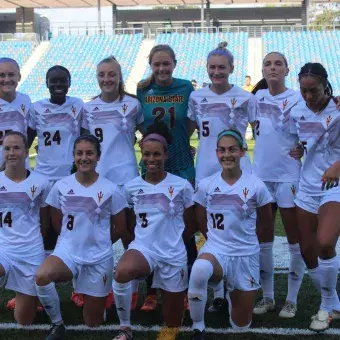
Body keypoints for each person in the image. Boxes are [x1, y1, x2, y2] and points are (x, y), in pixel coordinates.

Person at [35, 135, 128, 339]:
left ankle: (103, 301)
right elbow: (56, 222)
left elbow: (120, 227)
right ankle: (57, 324)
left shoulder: (110, 188)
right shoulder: (61, 186)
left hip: (99, 258)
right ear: (74, 156)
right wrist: (72, 240)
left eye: (89, 153)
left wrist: (99, 242)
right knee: (42, 276)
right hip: (68, 252)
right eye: (79, 153)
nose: (84, 157)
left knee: (92, 322)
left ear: (98, 156)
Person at [187, 42, 257, 310]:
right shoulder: (196, 97)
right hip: (206, 168)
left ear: (232, 69)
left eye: (222, 67)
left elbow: (262, 130)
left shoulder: (245, 98)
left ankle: (243, 282)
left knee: (239, 226)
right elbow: (189, 127)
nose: (217, 72)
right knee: (209, 229)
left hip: (239, 170)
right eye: (212, 67)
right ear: (207, 69)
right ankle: (218, 292)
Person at [112, 122, 196, 340]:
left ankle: (168, 300)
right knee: (121, 272)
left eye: (157, 154)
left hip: (173, 253)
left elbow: (190, 223)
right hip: (144, 249)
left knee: (173, 323)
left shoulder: (182, 185)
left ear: (166, 155)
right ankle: (125, 328)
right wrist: (135, 245)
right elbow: (129, 221)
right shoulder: (130, 187)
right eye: (147, 154)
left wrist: (173, 239)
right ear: (141, 155)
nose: (151, 159)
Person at [189, 129, 272, 339]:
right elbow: (200, 218)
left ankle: (229, 290)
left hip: (245, 256)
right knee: (199, 269)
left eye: (232, 149)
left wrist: (246, 244)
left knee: (240, 326)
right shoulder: (207, 185)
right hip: (217, 251)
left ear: (243, 152)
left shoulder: (256, 185)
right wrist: (216, 241)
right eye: (222, 150)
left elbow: (265, 225)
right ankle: (198, 327)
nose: (227, 155)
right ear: (216, 153)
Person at [137, 44, 197, 311]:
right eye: (156, 64)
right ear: (151, 65)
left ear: (174, 63)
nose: (161, 69)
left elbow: (191, 121)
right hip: (152, 163)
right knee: (151, 228)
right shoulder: (142, 89)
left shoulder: (186, 88)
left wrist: (181, 141)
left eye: (166, 64)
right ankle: (151, 289)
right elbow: (140, 122)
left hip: (181, 163)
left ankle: (183, 288)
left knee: (184, 229)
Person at [82, 56, 144, 309]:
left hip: (127, 176)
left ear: (119, 77)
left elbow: (147, 135)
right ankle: (96, 285)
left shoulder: (133, 105)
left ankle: (135, 288)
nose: (106, 79)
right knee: (98, 234)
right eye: (102, 75)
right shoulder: (88, 108)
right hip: (99, 179)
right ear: (97, 78)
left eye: (111, 74)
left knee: (130, 233)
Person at [251, 52, 305, 318]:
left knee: (295, 240)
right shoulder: (256, 98)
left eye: (277, 64)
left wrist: (302, 147)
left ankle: (292, 299)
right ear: (263, 70)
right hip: (261, 176)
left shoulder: (297, 98)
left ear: (286, 69)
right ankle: (268, 296)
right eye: (267, 64)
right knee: (263, 239)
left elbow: (313, 128)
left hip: (289, 176)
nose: (272, 68)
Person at [28, 65, 85, 308]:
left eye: (62, 80)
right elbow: (27, 138)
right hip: (43, 177)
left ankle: (79, 288)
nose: (58, 84)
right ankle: (40, 290)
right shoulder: (36, 108)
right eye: (53, 81)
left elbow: (85, 137)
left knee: (73, 231)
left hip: (69, 178)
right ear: (47, 83)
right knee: (44, 233)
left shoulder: (78, 105)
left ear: (70, 82)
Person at [290, 62, 340, 331]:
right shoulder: (297, 111)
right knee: (307, 250)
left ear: (326, 86)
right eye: (304, 90)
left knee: (324, 242)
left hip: (336, 186)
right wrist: (297, 149)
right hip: (307, 187)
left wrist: (338, 166)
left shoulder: (339, 108)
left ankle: (325, 305)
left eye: (314, 90)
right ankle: (334, 301)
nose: (308, 96)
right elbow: (300, 141)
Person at [0, 131, 50, 325]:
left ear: (26, 150)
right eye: (7, 148)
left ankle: (28, 296)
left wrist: (33, 243)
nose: (12, 152)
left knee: (25, 320)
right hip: (3, 248)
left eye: (16, 148)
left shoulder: (41, 182)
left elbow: (44, 221)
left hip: (30, 252)